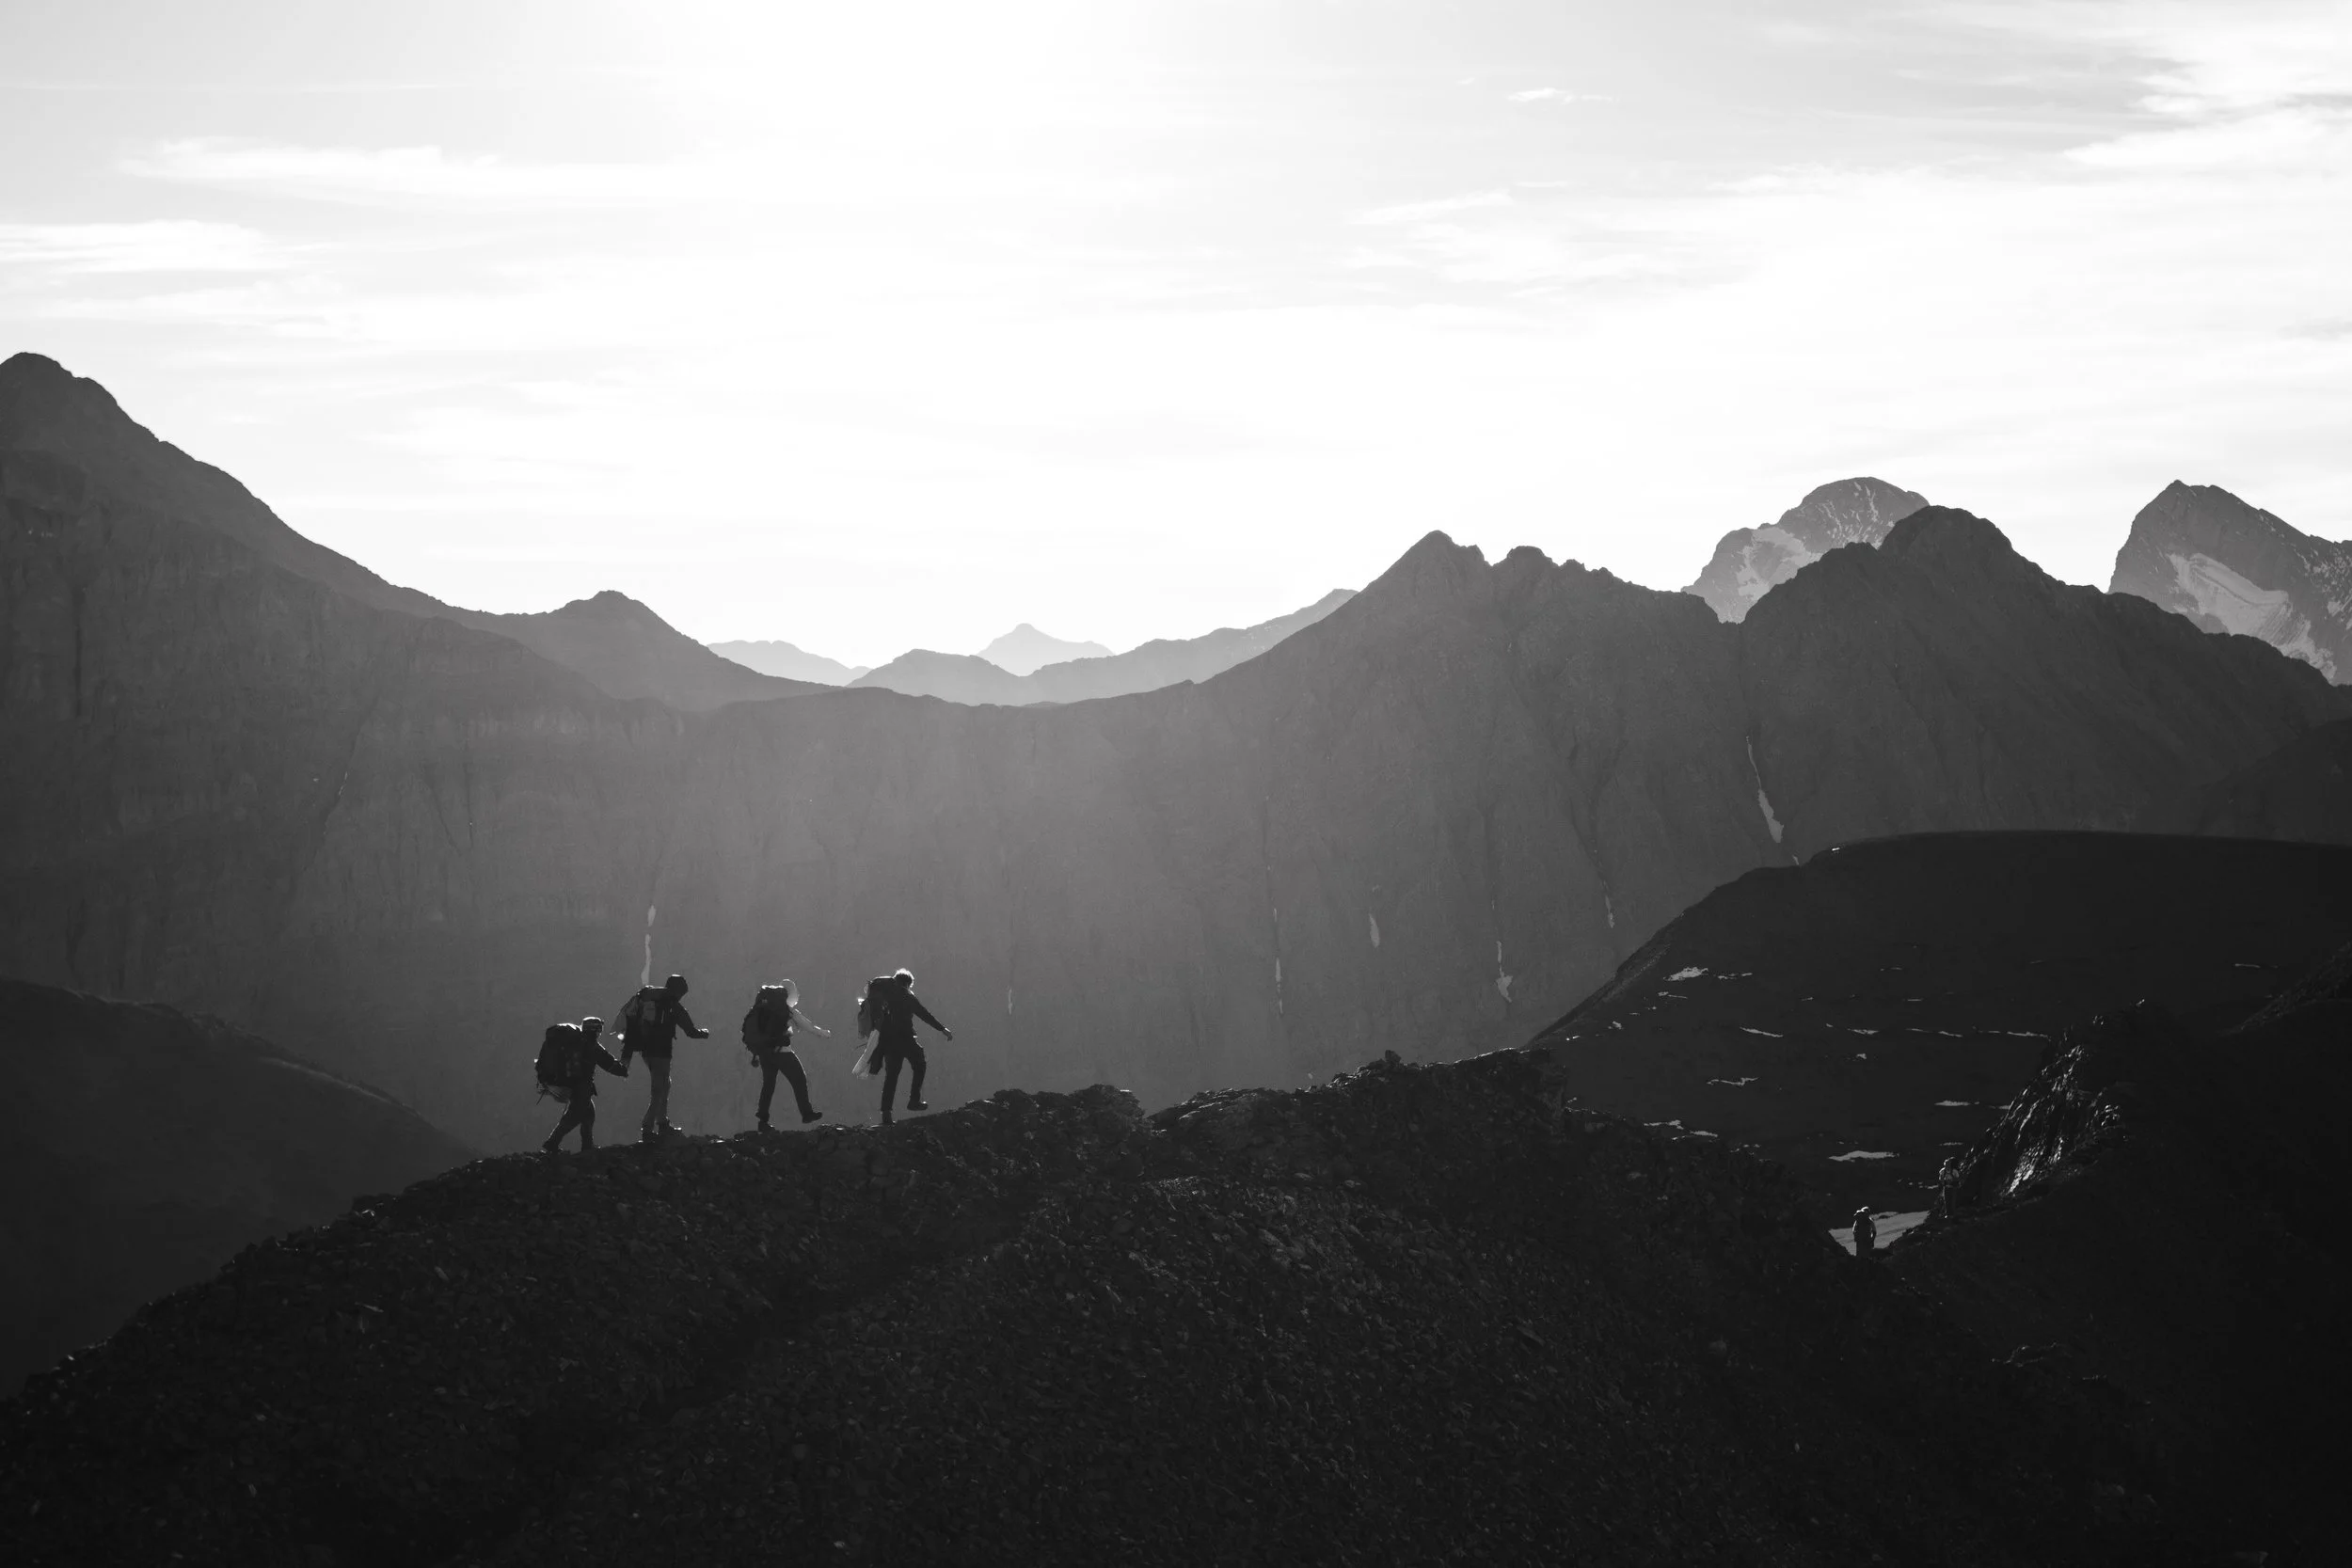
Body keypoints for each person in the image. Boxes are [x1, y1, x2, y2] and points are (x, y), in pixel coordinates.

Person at [615, 973, 709, 1144]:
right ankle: (649, 1127)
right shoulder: (672, 1005)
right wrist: (704, 1034)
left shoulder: (649, 1002)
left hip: (646, 1051)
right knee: (659, 1089)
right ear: (678, 991)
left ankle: (662, 1122)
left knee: (664, 1084)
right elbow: (690, 1031)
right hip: (662, 1052)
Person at [748, 978, 830, 1131]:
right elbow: (807, 1025)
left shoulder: (764, 1007)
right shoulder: (785, 1009)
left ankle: (763, 1118)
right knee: (799, 1079)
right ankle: (807, 1113)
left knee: (768, 1084)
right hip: (783, 1053)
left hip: (765, 1053)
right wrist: (823, 1033)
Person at [874, 966, 951, 1126]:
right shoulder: (908, 996)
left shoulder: (885, 995)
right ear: (908, 984)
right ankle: (914, 1100)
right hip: (906, 1039)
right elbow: (924, 1014)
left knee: (891, 1077)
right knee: (920, 1064)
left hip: (888, 1042)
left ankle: (886, 1114)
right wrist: (942, 1029)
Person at [541, 1018, 628, 1152]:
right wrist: (623, 1070)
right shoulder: (591, 1045)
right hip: (581, 1085)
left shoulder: (574, 1042)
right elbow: (608, 1063)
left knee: (589, 1112)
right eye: (599, 1030)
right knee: (575, 1115)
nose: (600, 1033)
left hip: (567, 1082)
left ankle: (587, 1145)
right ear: (595, 1031)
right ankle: (553, 1142)